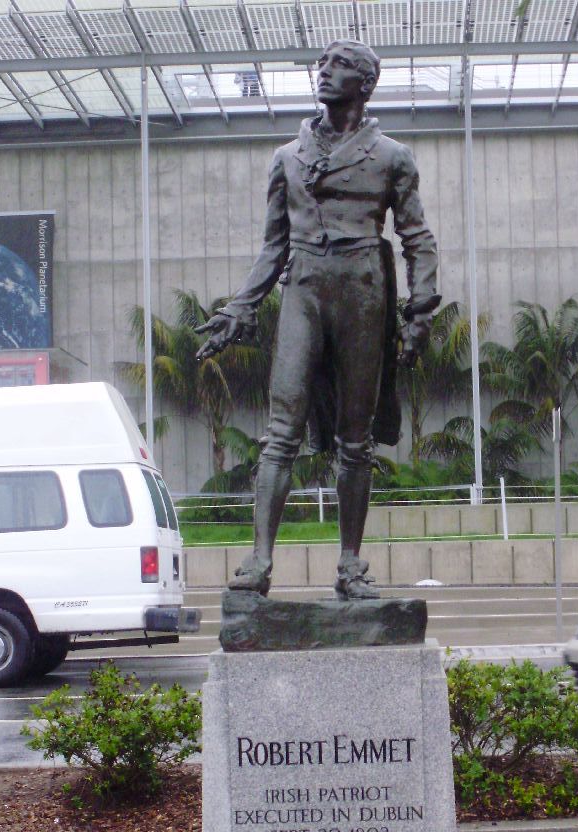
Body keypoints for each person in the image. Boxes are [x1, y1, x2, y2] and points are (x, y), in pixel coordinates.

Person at [196, 40, 440, 600]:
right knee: (281, 432)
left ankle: (350, 565)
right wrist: (241, 305)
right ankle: (259, 561)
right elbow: (273, 246)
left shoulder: (392, 156)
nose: (324, 73)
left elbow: (416, 238)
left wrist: (421, 310)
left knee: (355, 440)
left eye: (340, 66)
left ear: (366, 84)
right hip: (304, 290)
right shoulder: (287, 156)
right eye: (322, 65)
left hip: (363, 293)